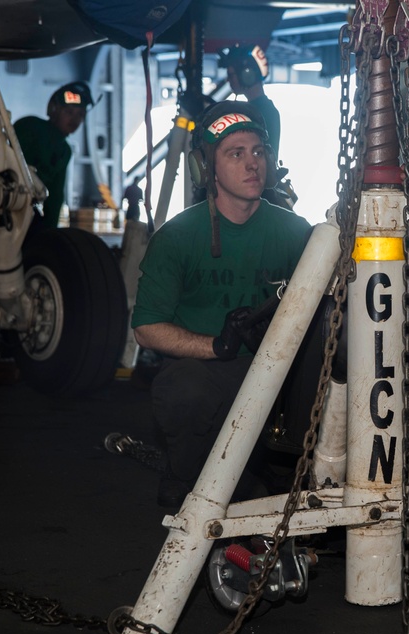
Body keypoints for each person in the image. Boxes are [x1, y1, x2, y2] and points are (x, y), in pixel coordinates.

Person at [131, 100, 312, 507]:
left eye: (258, 152)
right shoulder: (178, 237)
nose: (253, 164)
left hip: (276, 370)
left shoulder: (295, 232)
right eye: (236, 153)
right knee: (184, 389)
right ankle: (194, 483)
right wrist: (217, 345)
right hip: (210, 371)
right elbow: (146, 327)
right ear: (205, 168)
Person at [14, 81, 94, 231]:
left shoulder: (65, 151)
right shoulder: (29, 127)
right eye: (69, 112)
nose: (75, 119)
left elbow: (55, 198)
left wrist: (49, 235)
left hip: (30, 219)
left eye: (80, 114)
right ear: (54, 110)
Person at [219, 44, 281, 159]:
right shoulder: (264, 109)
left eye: (230, 75)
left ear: (246, 75)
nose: (228, 80)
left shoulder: (256, 113)